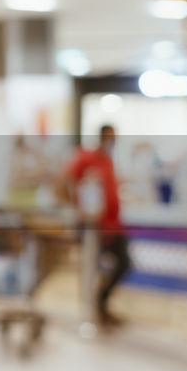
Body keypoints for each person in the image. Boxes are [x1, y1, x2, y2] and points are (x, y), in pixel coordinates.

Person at [67, 124, 130, 326]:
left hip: (113, 225)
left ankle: (100, 305)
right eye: (109, 137)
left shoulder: (108, 161)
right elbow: (68, 181)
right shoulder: (87, 159)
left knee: (123, 264)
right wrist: (78, 207)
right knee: (93, 268)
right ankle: (93, 310)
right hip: (95, 227)